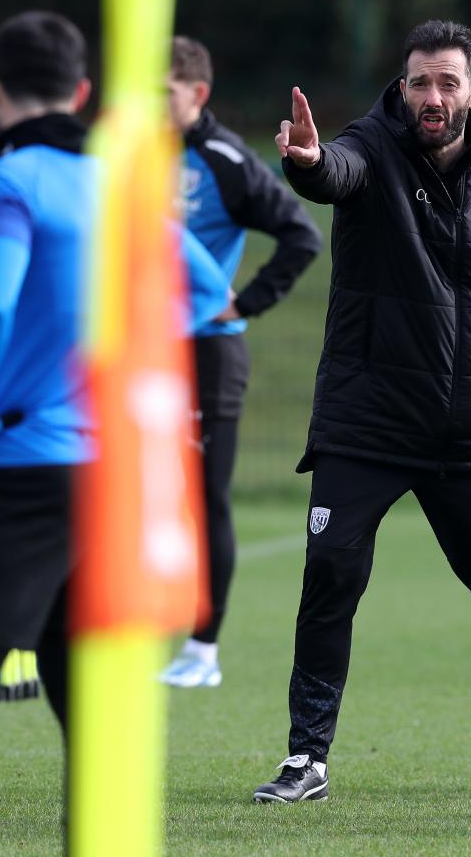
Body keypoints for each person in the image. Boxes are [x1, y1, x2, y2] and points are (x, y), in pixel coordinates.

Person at [0, 11, 227, 856]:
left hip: (26, 468)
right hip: (111, 475)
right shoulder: (118, 184)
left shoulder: (7, 181)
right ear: (82, 92)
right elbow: (200, 290)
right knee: (86, 703)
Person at [250, 19, 471, 804]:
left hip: (469, 429)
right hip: (366, 421)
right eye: (418, 83)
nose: (431, 98)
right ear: (401, 89)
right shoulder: (369, 148)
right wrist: (305, 161)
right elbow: (331, 172)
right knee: (331, 573)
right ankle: (306, 760)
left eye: (447, 83)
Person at [159, 36, 324, 689]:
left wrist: (244, 304)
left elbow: (300, 235)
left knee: (205, 501)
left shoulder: (224, 159)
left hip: (206, 351)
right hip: (141, 353)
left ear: (197, 95)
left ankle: (202, 651)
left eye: (161, 93)